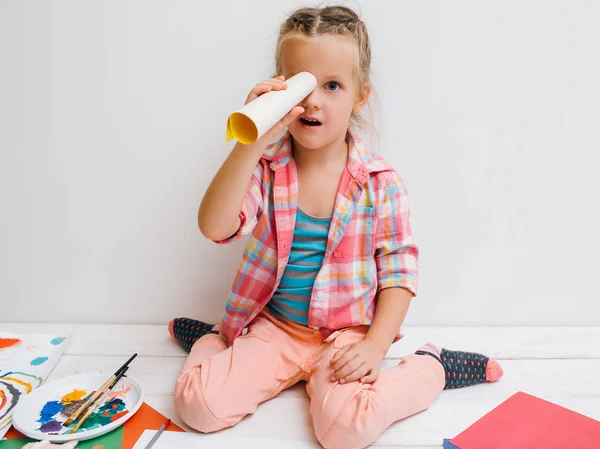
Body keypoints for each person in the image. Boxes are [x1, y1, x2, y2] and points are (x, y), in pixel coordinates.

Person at [169, 6, 503, 449]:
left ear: (360, 95)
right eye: (301, 85)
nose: (313, 102)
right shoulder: (268, 168)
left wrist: (376, 346)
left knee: (348, 431)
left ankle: (433, 367)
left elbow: (400, 271)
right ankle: (217, 340)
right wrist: (252, 141)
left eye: (332, 86)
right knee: (199, 407)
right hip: (275, 328)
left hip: (344, 336)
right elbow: (215, 227)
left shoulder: (379, 182)